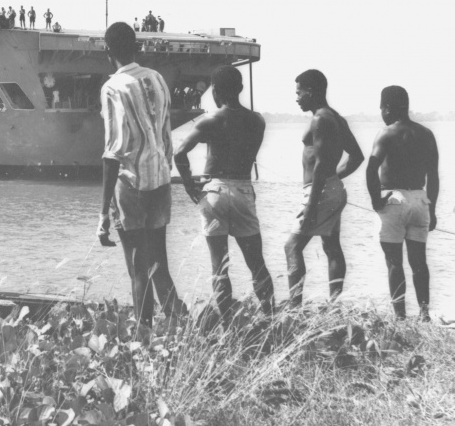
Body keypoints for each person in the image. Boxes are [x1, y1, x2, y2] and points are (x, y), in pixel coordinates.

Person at [96, 22, 188, 330]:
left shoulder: (112, 87)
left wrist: (103, 214)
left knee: (137, 268)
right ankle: (183, 324)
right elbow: (166, 134)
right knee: (158, 264)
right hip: (161, 180)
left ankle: (144, 333)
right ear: (135, 46)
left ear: (108, 51)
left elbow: (112, 152)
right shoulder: (157, 78)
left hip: (131, 183)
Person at [174, 66, 274, 320]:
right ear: (240, 89)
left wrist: (190, 187)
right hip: (242, 188)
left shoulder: (211, 121)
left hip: (215, 190)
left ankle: (227, 326)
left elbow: (179, 153)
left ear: (216, 92)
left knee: (220, 265)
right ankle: (271, 320)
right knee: (257, 264)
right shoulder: (257, 121)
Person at [285, 69, 364, 307]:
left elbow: (319, 164)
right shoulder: (336, 118)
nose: (297, 98)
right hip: (331, 188)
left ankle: (294, 307)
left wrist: (311, 207)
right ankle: (334, 305)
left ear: (311, 91)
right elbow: (357, 156)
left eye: (299, 92)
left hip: (319, 191)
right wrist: (334, 179)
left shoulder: (320, 119)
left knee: (292, 246)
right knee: (331, 246)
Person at [366, 86, 439, 321]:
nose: (381, 113)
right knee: (419, 262)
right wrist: (433, 210)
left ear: (387, 107)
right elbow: (434, 177)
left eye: (381, 108)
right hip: (420, 199)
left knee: (394, 263)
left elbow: (371, 169)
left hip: (393, 200)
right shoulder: (426, 134)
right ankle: (424, 314)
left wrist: (376, 200)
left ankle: (400, 318)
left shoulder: (386, 133)